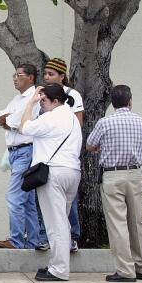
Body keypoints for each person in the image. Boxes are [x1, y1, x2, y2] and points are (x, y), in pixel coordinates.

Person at [19, 84, 82, 281]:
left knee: (56, 225)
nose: (41, 104)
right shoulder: (71, 117)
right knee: (62, 221)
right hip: (72, 171)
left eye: (43, 100)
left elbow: (24, 127)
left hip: (53, 173)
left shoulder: (51, 117)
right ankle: (57, 265)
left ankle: (59, 269)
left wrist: (30, 103)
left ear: (55, 101)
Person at [87, 85, 142, 282]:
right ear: (130, 101)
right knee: (136, 222)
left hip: (113, 175)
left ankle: (125, 270)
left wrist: (101, 147)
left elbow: (90, 144)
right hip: (134, 173)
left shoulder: (105, 122)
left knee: (118, 223)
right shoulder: (141, 121)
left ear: (112, 103)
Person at [0, 64, 44, 250]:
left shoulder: (33, 98)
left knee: (14, 196)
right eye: (14, 75)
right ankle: (33, 241)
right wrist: (9, 120)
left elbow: (17, 121)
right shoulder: (16, 99)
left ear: (31, 77)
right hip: (15, 153)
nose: (15, 78)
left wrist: (9, 120)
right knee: (27, 199)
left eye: (19, 75)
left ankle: (16, 240)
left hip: (25, 150)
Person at [43, 57, 83, 252]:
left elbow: (78, 123)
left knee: (68, 201)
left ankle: (72, 236)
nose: (47, 77)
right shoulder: (42, 95)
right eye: (45, 74)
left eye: (51, 74)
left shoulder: (72, 95)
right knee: (49, 203)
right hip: (45, 156)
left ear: (62, 76)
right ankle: (50, 238)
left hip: (64, 157)